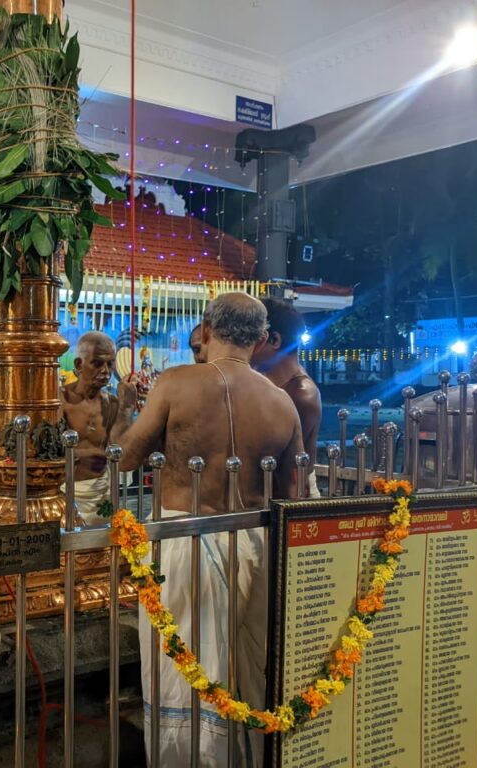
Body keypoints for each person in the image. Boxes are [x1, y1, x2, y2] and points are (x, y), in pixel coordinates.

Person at [117, 292, 303, 767]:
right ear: (261, 340)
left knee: (184, 678)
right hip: (255, 549)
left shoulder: (177, 383)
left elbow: (125, 457)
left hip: (182, 547)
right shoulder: (282, 404)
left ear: (205, 329)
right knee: (248, 678)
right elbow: (293, 497)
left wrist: (123, 409)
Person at [60, 332, 138, 525]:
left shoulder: (112, 404)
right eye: (97, 363)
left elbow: (123, 450)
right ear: (79, 365)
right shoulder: (60, 400)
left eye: (110, 364)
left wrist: (126, 407)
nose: (105, 370)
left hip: (101, 492)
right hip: (66, 492)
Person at [251, 297, 323, 498]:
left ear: (274, 340)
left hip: (293, 494)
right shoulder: (263, 380)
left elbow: (280, 459)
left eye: (254, 339)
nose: (246, 347)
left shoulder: (301, 393)